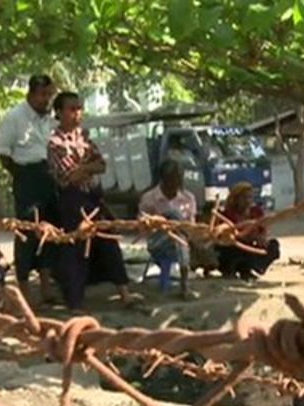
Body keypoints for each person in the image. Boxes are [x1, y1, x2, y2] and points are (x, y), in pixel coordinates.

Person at [47, 91, 134, 312]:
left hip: (93, 196)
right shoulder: (55, 142)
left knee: (108, 242)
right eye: (72, 109)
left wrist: (83, 166)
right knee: (76, 249)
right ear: (59, 113)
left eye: (79, 108)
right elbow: (69, 176)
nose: (77, 113)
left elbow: (101, 165)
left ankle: (125, 295)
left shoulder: (84, 137)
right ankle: (75, 303)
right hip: (72, 200)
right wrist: (88, 165)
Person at [0, 74, 58, 305]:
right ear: (31, 93)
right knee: (27, 234)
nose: (46, 100)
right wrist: (22, 176)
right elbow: (3, 154)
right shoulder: (14, 118)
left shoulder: (49, 120)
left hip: (48, 177)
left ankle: (45, 287)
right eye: (43, 95)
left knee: (48, 233)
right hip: (26, 176)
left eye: (49, 95)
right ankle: (23, 289)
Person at [138, 159, 197, 298]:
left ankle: (184, 284)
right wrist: (160, 224)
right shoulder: (149, 198)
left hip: (182, 239)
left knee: (180, 237)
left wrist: (181, 230)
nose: (175, 184)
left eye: (178, 180)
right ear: (163, 179)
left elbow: (192, 225)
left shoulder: (188, 198)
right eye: (171, 180)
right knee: (173, 214)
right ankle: (184, 284)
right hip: (158, 241)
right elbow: (142, 227)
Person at [217, 181, 280, 281]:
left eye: (250, 197)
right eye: (244, 197)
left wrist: (262, 238)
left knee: (273, 245)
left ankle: (255, 268)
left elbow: (264, 229)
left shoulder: (256, 212)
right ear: (236, 199)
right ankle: (233, 269)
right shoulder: (227, 214)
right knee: (233, 247)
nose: (248, 200)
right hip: (234, 246)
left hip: (251, 245)